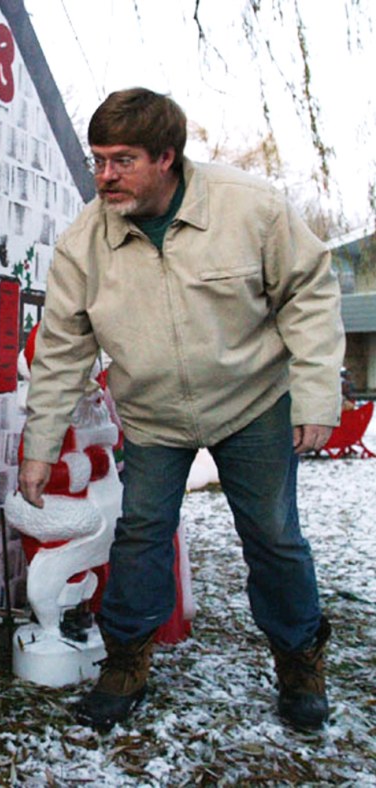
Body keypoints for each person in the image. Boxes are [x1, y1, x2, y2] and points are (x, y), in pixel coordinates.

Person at [18, 88, 345, 733]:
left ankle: (301, 662)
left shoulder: (250, 208)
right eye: (98, 161)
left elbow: (308, 293)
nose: (105, 177)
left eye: (123, 160)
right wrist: (39, 447)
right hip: (153, 416)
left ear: (167, 157)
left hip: (254, 403)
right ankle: (126, 664)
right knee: (139, 538)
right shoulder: (82, 244)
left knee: (275, 539)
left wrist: (315, 395)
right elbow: (60, 353)